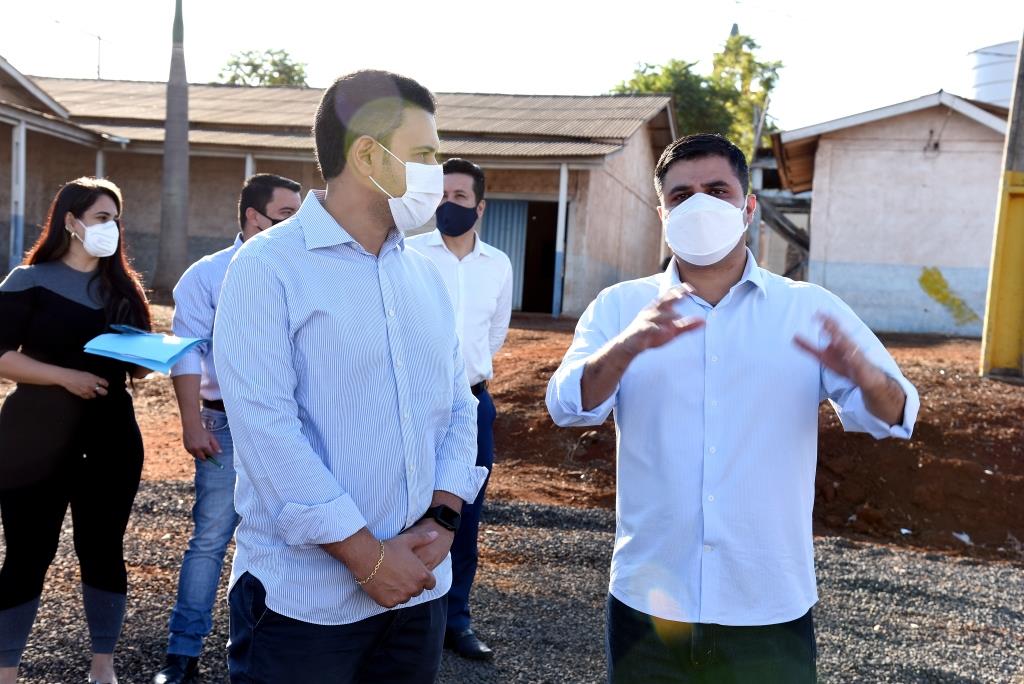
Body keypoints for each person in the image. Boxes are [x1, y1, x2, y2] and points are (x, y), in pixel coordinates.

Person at [546, 133, 920, 683]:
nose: (699, 205)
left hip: (768, 608)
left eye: (717, 190)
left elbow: (896, 416)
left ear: (748, 207)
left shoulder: (808, 309)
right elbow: (567, 405)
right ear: (662, 214)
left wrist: (865, 376)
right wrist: (628, 345)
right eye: (681, 196)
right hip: (650, 607)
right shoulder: (621, 308)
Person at [213, 70, 487, 683]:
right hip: (304, 604)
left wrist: (443, 518)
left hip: (418, 589)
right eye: (424, 155)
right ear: (368, 155)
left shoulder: (423, 276)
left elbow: (457, 404)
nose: (437, 173)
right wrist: (367, 558)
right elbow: (265, 430)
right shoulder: (269, 266)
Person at [0, 177, 152, 684]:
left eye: (116, 220)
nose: (112, 228)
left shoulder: (124, 289)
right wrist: (66, 377)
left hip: (110, 438)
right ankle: (6, 669)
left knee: (103, 548)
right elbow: (2, 357)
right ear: (70, 221)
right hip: (31, 438)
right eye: (101, 218)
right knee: (27, 553)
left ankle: (103, 667)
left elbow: (138, 368)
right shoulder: (28, 280)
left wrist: (155, 356)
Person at [152, 173, 301, 684]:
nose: (297, 225)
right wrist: (192, 423)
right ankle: (182, 653)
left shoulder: (304, 272)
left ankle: (274, 650)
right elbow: (186, 353)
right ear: (253, 217)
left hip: (291, 426)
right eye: (286, 215)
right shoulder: (206, 275)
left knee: (292, 536)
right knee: (211, 538)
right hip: (224, 424)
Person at [406, 158, 513, 660]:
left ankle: (456, 621)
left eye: (460, 197)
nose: (449, 205)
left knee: (462, 517)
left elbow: (495, 335)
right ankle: (402, 614)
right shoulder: (409, 254)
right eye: (442, 197)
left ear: (480, 207)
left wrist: (467, 377)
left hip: (472, 405)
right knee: (404, 505)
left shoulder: (498, 264)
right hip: (412, 404)